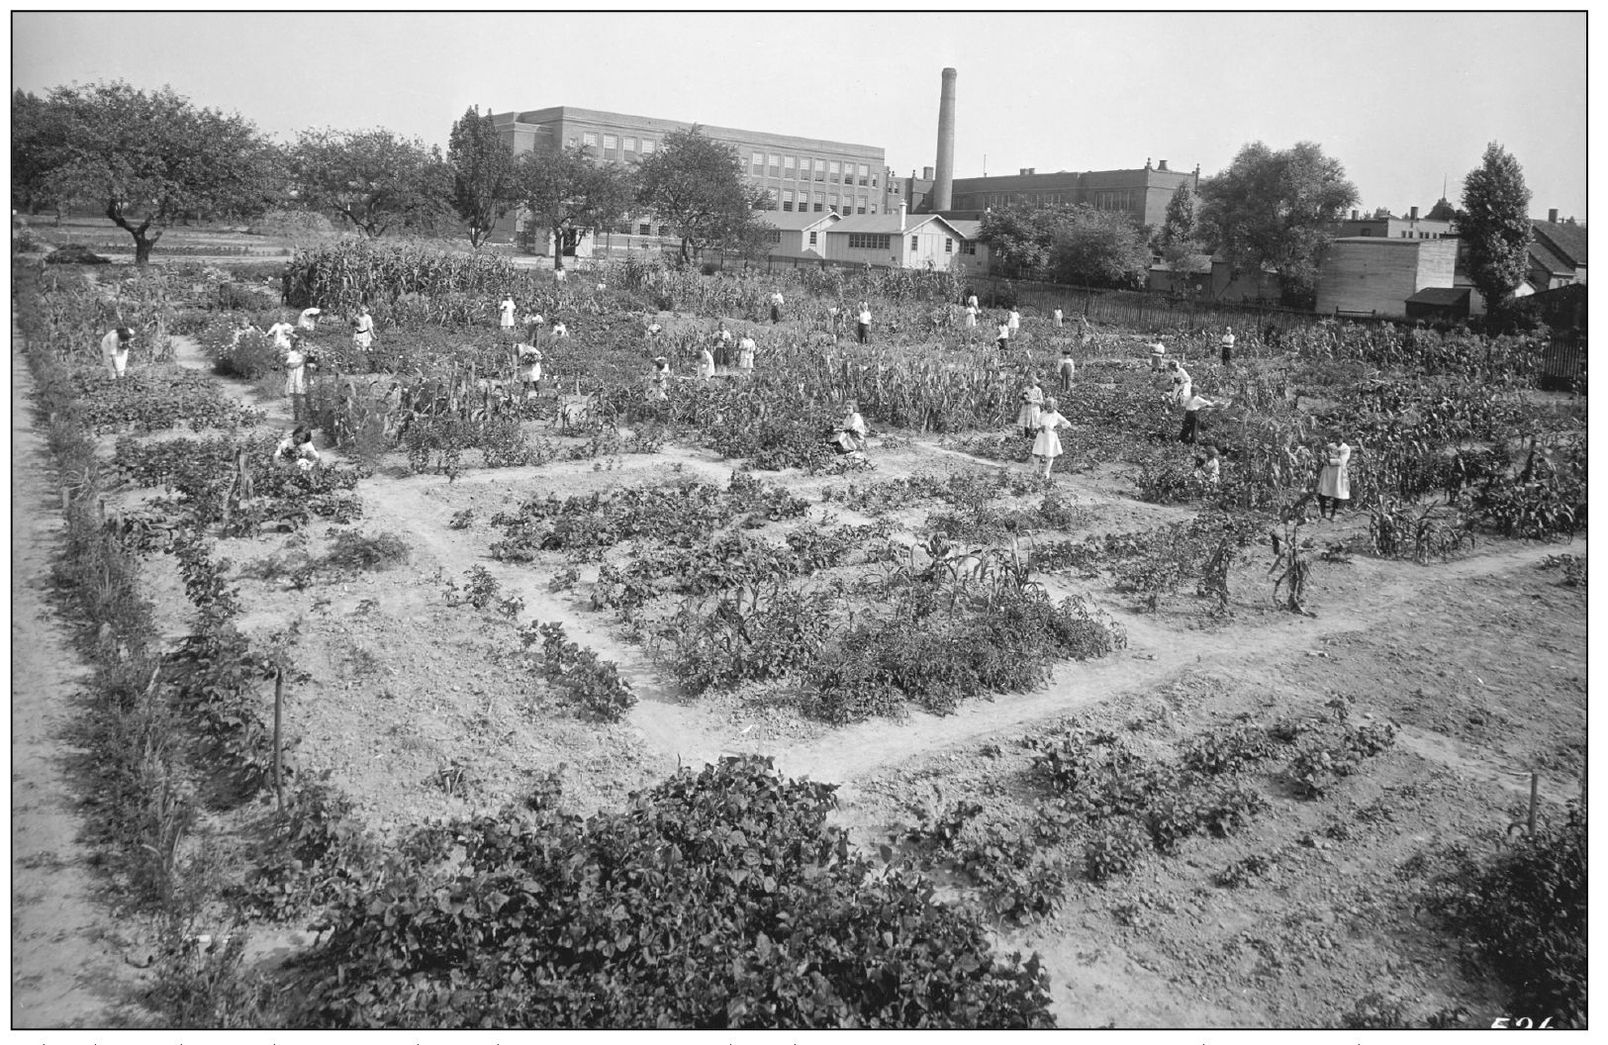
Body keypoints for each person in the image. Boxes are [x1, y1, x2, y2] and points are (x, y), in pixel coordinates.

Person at [1031, 397, 1071, 479]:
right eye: (1047, 406)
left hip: (1050, 437)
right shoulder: (1043, 414)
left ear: (1054, 406)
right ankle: (1035, 470)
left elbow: (1067, 423)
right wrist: (1039, 427)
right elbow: (1036, 423)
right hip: (1041, 435)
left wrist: (1059, 426)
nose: (1048, 408)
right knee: (1036, 452)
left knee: (1049, 454)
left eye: (1050, 406)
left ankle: (1046, 472)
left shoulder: (1056, 415)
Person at [1316, 437, 1352, 520]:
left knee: (1338, 492)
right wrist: (1323, 458)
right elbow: (1323, 455)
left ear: (1342, 439)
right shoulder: (1330, 446)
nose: (1336, 441)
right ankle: (1323, 513)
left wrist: (1328, 460)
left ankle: (1333, 514)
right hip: (1328, 471)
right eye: (1335, 438)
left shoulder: (1346, 448)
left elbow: (1342, 461)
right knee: (1323, 491)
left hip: (1339, 473)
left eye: (1338, 439)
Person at [284, 336, 309, 421]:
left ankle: (306, 417)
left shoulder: (306, 353)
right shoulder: (292, 353)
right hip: (295, 378)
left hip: (304, 378)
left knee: (307, 398)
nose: (300, 346)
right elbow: (290, 365)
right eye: (298, 344)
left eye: (301, 344)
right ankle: (296, 416)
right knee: (297, 398)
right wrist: (302, 361)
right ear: (295, 345)